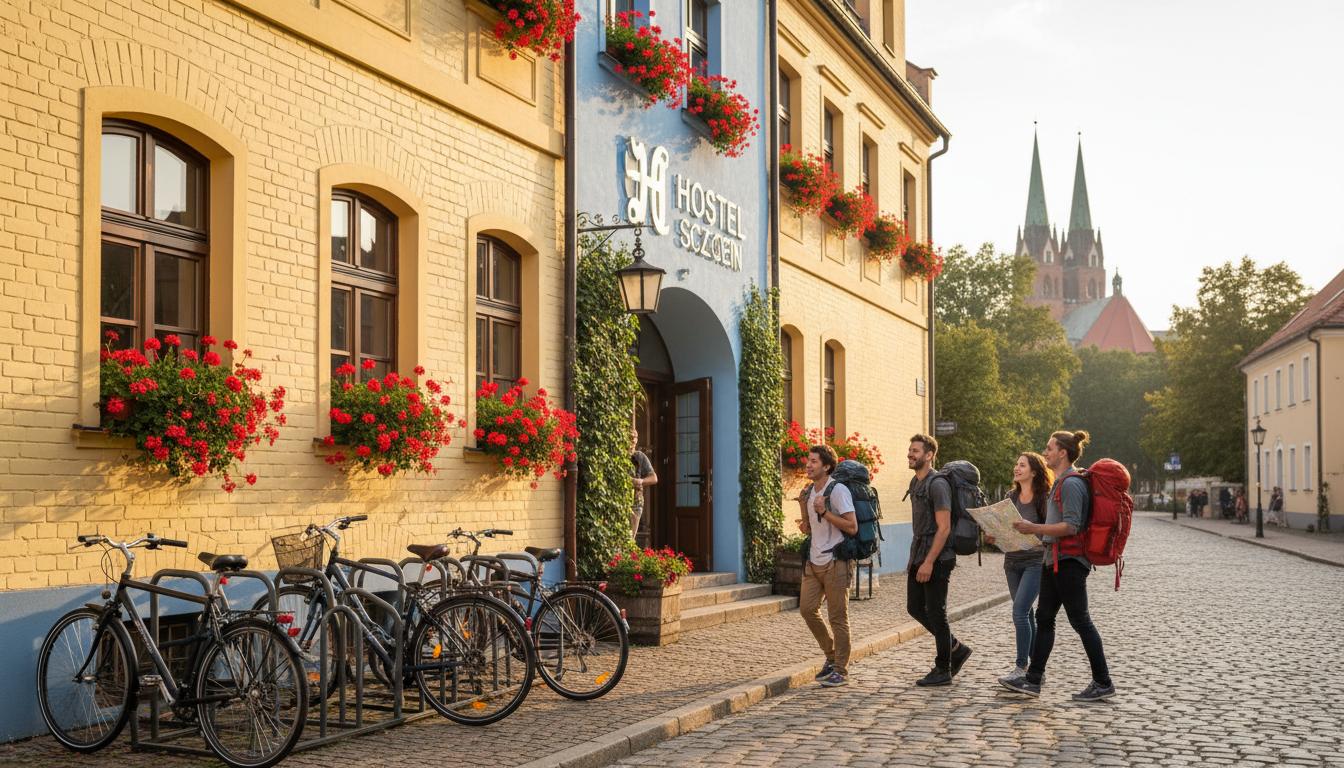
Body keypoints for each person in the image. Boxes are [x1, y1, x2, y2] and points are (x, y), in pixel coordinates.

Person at [1001, 429, 1115, 702]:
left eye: (1050, 448)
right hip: (1052, 560)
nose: (1046, 452)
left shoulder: (1072, 483)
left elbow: (1071, 526)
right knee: (1044, 619)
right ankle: (1033, 680)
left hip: (1069, 563)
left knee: (1080, 621)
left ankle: (1103, 681)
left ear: (1063, 452)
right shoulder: (1060, 483)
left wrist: (1034, 527)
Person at [905, 433, 972, 687]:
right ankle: (956, 648)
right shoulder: (915, 482)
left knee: (936, 612)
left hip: (938, 556)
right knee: (914, 607)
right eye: (910, 450)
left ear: (929, 455)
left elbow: (943, 528)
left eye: (916, 451)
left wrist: (929, 562)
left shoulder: (937, 484)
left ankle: (943, 668)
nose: (911, 454)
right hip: (919, 553)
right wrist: (915, 559)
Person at [986, 452, 1052, 685]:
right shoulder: (1010, 497)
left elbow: (1049, 530)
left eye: (1022, 465)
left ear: (1034, 471)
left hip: (1035, 561)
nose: (1017, 468)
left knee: (1019, 612)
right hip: (1012, 562)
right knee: (1027, 614)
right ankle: (1037, 670)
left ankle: (1020, 667)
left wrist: (1032, 530)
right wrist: (993, 536)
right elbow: (1003, 529)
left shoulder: (1044, 497)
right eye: (1016, 464)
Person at [796, 444, 858, 687]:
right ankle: (831, 657)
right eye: (808, 461)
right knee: (807, 609)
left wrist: (824, 512)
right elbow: (812, 528)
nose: (808, 465)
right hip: (814, 561)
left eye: (813, 462)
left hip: (836, 562)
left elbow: (852, 527)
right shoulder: (810, 490)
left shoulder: (838, 490)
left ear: (827, 466)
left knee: (838, 618)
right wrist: (805, 516)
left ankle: (840, 670)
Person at [630, 428, 658, 542]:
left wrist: (641, 481)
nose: (632, 440)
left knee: (630, 537)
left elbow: (654, 478)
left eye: (634, 437)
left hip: (636, 502)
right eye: (629, 437)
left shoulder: (639, 456)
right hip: (619, 502)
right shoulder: (618, 456)